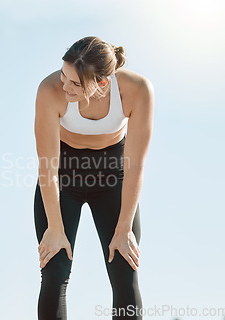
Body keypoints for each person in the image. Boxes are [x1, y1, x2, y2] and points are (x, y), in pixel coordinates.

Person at [34, 36, 154, 320]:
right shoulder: (50, 90)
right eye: (64, 75)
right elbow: (47, 167)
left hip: (113, 178)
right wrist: (54, 228)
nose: (64, 86)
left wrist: (124, 228)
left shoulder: (137, 90)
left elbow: (135, 165)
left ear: (102, 83)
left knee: (125, 272)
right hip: (63, 177)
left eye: (74, 83)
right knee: (55, 271)